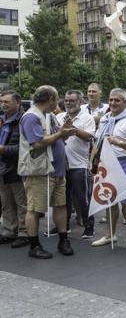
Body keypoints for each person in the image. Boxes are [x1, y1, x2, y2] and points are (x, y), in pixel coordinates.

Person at [18, 85, 76, 259]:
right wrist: (61, 134)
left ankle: (63, 240)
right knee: (35, 209)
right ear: (50, 98)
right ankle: (34, 245)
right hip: (39, 172)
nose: (58, 102)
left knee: (60, 205)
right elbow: (37, 143)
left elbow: (57, 136)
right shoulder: (30, 117)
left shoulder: (49, 115)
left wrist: (64, 131)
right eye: (57, 98)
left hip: (56, 170)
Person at [91, 88, 126, 249]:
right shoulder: (105, 118)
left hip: (125, 162)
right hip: (106, 163)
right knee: (108, 200)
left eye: (117, 100)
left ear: (125, 102)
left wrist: (117, 142)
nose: (112, 103)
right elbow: (97, 142)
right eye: (111, 100)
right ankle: (109, 235)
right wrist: (92, 161)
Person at [56, 90, 96, 239]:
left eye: (72, 101)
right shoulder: (59, 117)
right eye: (66, 100)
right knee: (62, 199)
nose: (68, 103)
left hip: (79, 165)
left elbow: (89, 137)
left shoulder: (87, 118)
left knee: (83, 198)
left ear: (80, 102)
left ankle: (89, 227)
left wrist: (73, 129)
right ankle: (62, 226)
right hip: (61, 165)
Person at [0, 90, 27, 248]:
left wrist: (3, 149)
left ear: (17, 103)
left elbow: (25, 147)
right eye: (1, 101)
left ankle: (24, 233)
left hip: (17, 168)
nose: (3, 105)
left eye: (6, 102)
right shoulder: (2, 119)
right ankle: (9, 231)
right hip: (2, 168)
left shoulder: (24, 120)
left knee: (21, 203)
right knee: (6, 202)